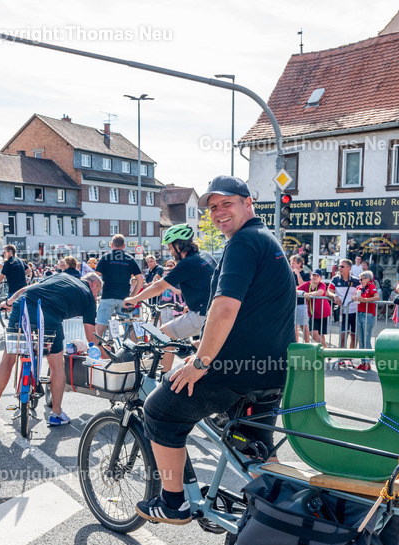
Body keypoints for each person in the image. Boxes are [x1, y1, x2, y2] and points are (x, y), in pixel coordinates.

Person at [136, 175, 294, 524]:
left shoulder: (242, 243)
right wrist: (202, 344)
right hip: (270, 371)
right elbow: (254, 312)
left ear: (248, 203)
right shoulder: (265, 239)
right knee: (254, 445)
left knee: (159, 412)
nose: (219, 211)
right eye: (213, 207)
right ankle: (288, 515)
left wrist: (201, 361)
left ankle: (173, 503)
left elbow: (224, 308)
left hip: (236, 371)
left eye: (227, 203)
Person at [0, 272, 103, 427]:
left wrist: (9, 302)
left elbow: (26, 289)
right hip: (49, 316)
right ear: (94, 284)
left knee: (8, 359)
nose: (96, 296)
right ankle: (56, 413)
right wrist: (105, 355)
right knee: (57, 366)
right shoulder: (88, 297)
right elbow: (91, 337)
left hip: (23, 304)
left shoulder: (61, 276)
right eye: (97, 292)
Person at [123, 225, 217, 372]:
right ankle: (194, 349)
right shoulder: (205, 256)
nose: (170, 251)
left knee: (163, 333)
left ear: (179, 245)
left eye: (170, 247)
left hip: (203, 314)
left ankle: (164, 376)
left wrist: (135, 298)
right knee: (192, 342)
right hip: (214, 310)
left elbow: (159, 286)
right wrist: (191, 305)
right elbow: (210, 283)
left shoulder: (187, 263)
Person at [93, 234, 143, 337]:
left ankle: (98, 345)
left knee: (101, 324)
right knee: (129, 326)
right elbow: (140, 280)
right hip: (124, 298)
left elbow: (95, 278)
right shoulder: (130, 259)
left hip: (107, 296)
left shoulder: (105, 258)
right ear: (124, 246)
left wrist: (95, 293)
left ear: (112, 245)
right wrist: (132, 296)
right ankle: (132, 346)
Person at [331, 259, 360, 350]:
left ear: (349, 268)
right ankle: (341, 356)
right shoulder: (335, 279)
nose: (340, 268)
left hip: (354, 311)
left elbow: (360, 291)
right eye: (339, 266)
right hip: (343, 312)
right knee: (343, 336)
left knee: (354, 336)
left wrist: (357, 294)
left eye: (342, 266)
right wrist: (334, 296)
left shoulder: (356, 280)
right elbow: (328, 291)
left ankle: (351, 356)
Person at [301, 269, 334, 347]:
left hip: (323, 313)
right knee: (313, 333)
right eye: (313, 275)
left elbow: (320, 292)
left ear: (320, 278)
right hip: (313, 314)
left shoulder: (322, 284)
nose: (315, 277)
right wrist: (303, 293)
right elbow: (296, 289)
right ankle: (326, 349)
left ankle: (324, 351)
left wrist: (307, 294)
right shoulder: (307, 284)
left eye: (317, 276)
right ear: (310, 276)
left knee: (321, 334)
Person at [355, 270, 379, 370]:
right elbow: (354, 296)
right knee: (361, 339)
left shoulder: (371, 286)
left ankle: (367, 362)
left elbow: (377, 297)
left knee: (366, 339)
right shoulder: (359, 287)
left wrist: (364, 300)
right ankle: (363, 361)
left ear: (368, 279)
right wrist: (354, 298)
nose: (360, 281)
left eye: (362, 279)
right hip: (359, 313)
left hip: (368, 314)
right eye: (360, 279)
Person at [289, 254, 310, 342]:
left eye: (293, 263)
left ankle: (308, 345)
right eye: (291, 263)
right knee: (294, 327)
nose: (291, 265)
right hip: (291, 303)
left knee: (303, 326)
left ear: (299, 264)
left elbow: (303, 286)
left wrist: (298, 274)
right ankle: (296, 344)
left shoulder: (306, 274)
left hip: (301, 303)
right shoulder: (289, 273)